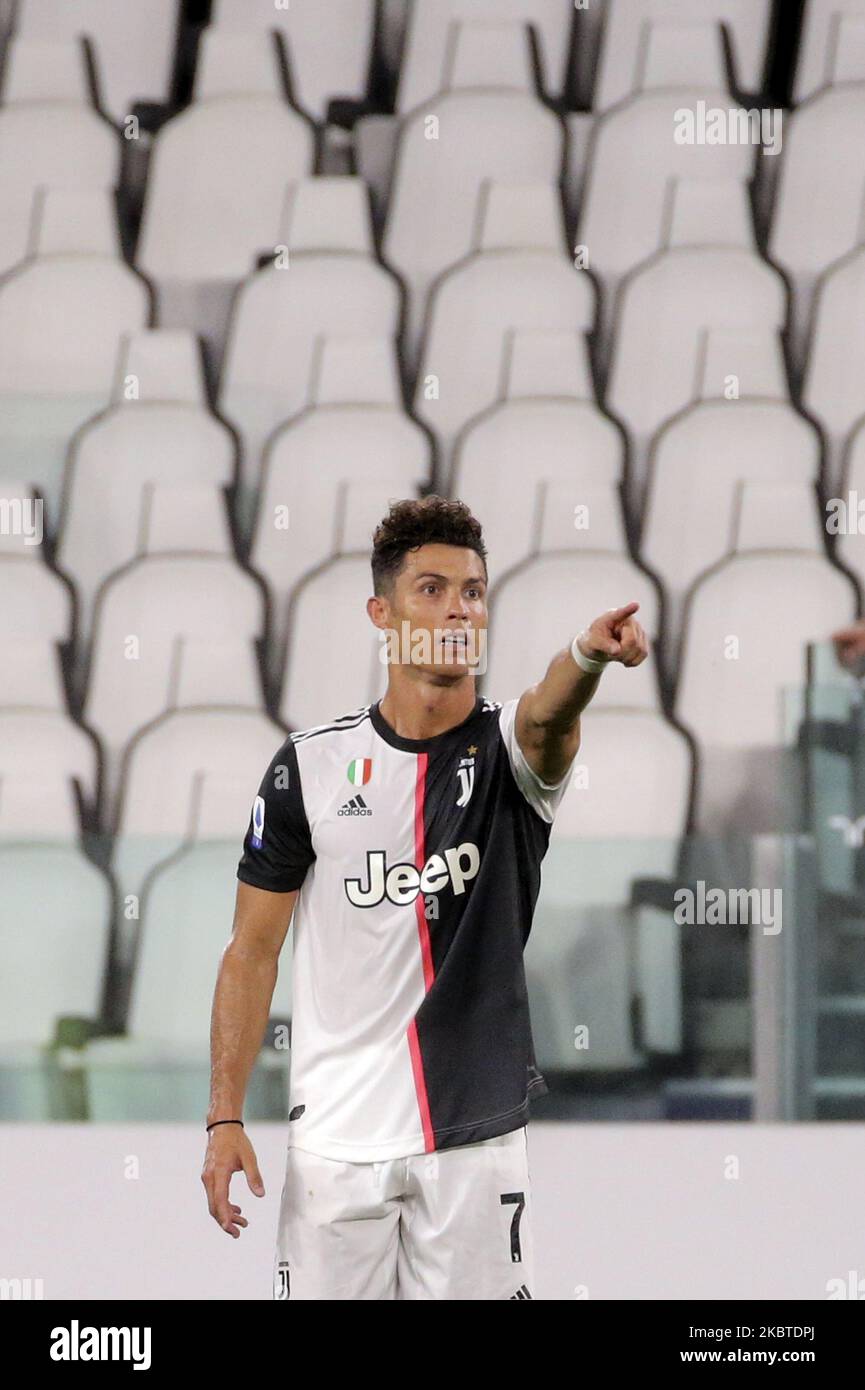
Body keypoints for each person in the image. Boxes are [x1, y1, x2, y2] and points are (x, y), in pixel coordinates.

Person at [201, 496, 649, 1299]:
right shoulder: (307, 768)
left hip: (471, 1137)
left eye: (472, 592)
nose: (456, 609)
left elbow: (550, 712)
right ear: (382, 612)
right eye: (432, 589)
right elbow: (251, 950)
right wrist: (224, 1118)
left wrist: (585, 656)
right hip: (335, 1143)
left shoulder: (511, 751)